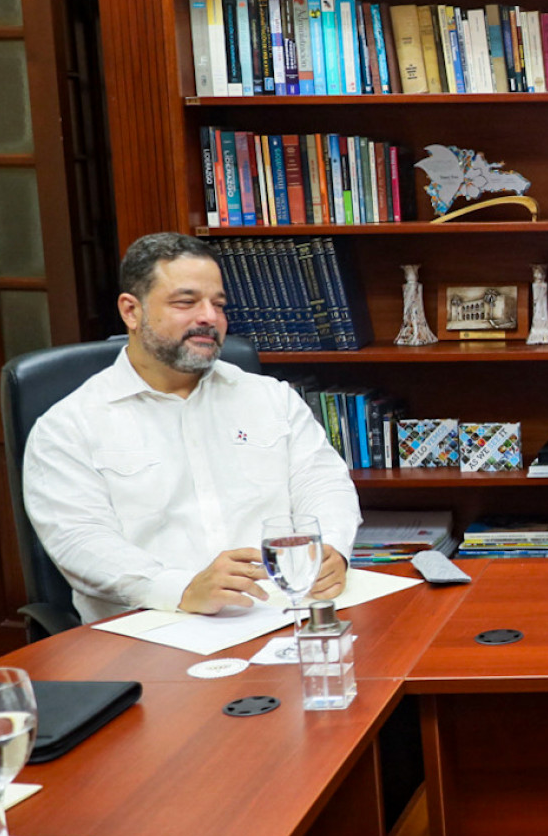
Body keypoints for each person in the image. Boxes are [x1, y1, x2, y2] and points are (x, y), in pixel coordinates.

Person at [24, 232, 360, 624]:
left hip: (281, 615)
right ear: (131, 311)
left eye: (218, 304)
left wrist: (331, 549)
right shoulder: (67, 427)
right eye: (186, 302)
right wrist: (181, 589)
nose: (209, 318)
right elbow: (81, 543)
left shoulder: (271, 398)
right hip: (150, 627)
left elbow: (324, 484)